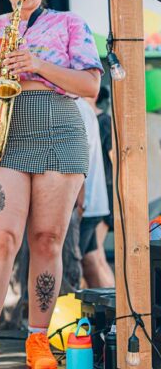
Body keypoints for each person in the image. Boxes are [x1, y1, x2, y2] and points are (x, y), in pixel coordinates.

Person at [0, 0, 102, 369]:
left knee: (48, 240)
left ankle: (37, 340)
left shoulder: (70, 23)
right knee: (1, 239)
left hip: (59, 124)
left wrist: (37, 63)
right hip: (2, 129)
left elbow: (91, 85)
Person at [76, 97, 115, 288]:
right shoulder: (89, 114)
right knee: (92, 258)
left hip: (96, 196)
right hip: (96, 197)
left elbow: (115, 158)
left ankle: (113, 306)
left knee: (87, 258)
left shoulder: (102, 120)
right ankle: (109, 307)